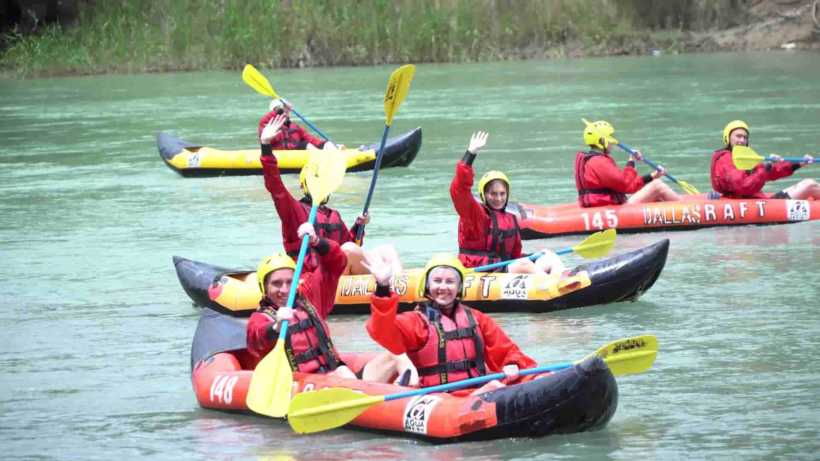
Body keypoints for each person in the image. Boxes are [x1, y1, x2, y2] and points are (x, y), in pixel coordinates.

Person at [246, 222, 417, 384]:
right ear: (264, 287)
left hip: (338, 374)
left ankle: (410, 394)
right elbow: (257, 337)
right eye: (276, 284)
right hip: (304, 384)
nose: (284, 289)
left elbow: (336, 263)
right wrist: (275, 327)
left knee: (398, 354)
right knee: (342, 374)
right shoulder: (260, 318)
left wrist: (317, 241)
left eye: (289, 282)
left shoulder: (309, 298)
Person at [363, 253, 536, 393]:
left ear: (459, 287)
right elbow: (382, 331)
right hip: (437, 396)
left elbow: (506, 351)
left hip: (474, 389)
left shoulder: (477, 318)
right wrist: (383, 287)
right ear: (427, 286)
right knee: (495, 387)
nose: (443, 287)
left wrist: (512, 364)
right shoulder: (416, 321)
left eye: (450, 282)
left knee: (509, 381)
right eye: (437, 281)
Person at [259, 112, 401, 275]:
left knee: (386, 250)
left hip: (338, 273)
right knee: (347, 250)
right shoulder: (293, 210)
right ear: (306, 184)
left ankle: (398, 287)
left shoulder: (333, 215)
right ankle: (387, 283)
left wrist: (359, 225)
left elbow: (354, 244)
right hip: (314, 277)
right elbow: (274, 185)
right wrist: (265, 145)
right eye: (319, 177)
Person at [450, 131, 564, 275]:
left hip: (504, 267)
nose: (498, 198)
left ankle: (565, 284)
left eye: (502, 194)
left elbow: (515, 254)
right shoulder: (474, 214)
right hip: (479, 269)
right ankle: (552, 287)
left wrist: (535, 257)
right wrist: (470, 154)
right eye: (493, 194)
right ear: (483, 195)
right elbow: (459, 190)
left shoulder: (510, 218)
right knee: (523, 265)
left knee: (549, 255)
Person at [575, 120, 680, 207]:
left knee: (656, 190)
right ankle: (687, 209)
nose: (612, 142)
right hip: (610, 208)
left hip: (605, 205)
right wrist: (632, 163)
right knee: (657, 186)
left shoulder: (592, 160)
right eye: (610, 138)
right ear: (602, 141)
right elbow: (627, 186)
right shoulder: (599, 162)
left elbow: (625, 184)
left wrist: (652, 175)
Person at [711, 120, 818, 199]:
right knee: (810, 185)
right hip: (749, 207)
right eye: (738, 136)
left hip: (754, 203)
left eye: (745, 137)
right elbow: (743, 186)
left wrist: (797, 164)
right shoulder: (725, 159)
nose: (742, 140)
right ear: (727, 138)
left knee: (809, 185)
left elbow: (771, 172)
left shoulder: (745, 158)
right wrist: (766, 168)